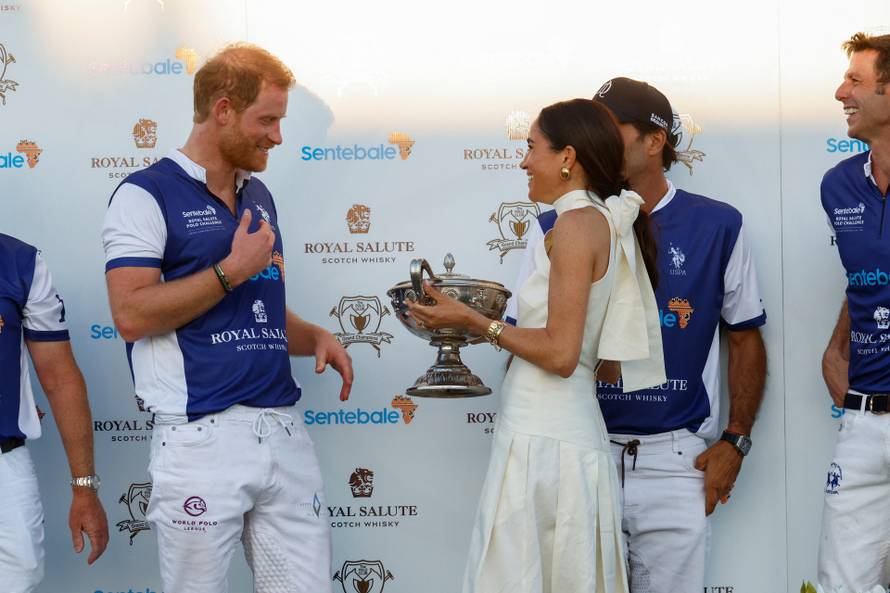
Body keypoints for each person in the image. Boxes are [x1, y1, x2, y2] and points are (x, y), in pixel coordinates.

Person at [101, 43, 353, 593]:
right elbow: (129, 314)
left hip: (283, 429)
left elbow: (254, 306)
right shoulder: (145, 193)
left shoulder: (258, 192)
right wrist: (230, 271)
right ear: (222, 110)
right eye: (267, 120)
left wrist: (312, 336)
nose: (277, 136)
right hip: (200, 436)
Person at [508, 77, 767, 593]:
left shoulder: (718, 225)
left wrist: (735, 440)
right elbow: (527, 339)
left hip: (674, 461)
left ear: (655, 142)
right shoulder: (554, 226)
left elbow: (744, 336)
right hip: (582, 450)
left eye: (612, 128)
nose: (596, 141)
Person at [408, 98, 665, 593]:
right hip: (550, 432)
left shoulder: (576, 225)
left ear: (567, 157)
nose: (524, 162)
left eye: (531, 149)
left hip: (548, 442)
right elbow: (597, 361)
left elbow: (562, 355)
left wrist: (471, 319)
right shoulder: (594, 222)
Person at [819, 32, 890, 592]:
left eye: (856, 82)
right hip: (862, 426)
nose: (841, 91)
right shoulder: (837, 184)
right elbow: (863, 275)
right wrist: (838, 347)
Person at [0, 234, 108, 593]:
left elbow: (60, 378)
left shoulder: (19, 261)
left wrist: (84, 488)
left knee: (19, 580)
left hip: (5, 463)